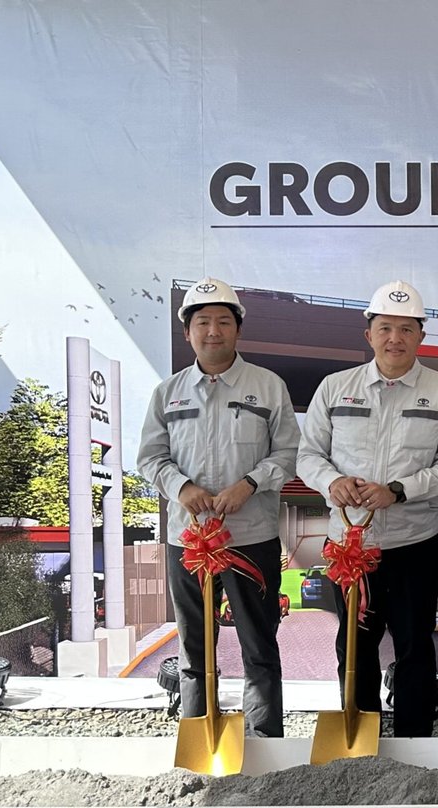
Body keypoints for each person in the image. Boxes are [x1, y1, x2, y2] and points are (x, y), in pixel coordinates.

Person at [296, 279, 438, 738]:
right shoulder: (335, 388)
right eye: (386, 328)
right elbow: (308, 455)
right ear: (369, 333)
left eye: (407, 329)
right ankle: (360, 736)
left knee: (415, 646)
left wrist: (399, 490)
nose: (395, 338)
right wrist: (332, 481)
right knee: (354, 644)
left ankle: (415, 741)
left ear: (421, 336)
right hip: (352, 547)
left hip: (415, 544)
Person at [138, 278, 299, 738]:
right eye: (202, 321)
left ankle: (266, 738)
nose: (213, 331)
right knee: (194, 643)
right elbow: (150, 457)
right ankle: (199, 732)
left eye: (223, 321)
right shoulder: (167, 392)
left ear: (238, 330)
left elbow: (287, 454)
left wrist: (250, 484)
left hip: (250, 536)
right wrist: (181, 487)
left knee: (258, 642)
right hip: (187, 540)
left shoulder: (268, 387)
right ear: (187, 332)